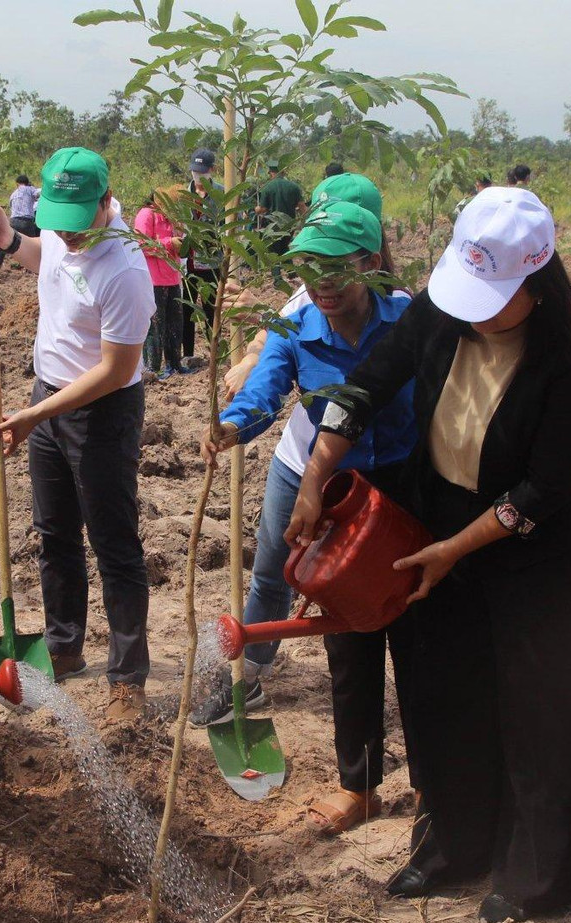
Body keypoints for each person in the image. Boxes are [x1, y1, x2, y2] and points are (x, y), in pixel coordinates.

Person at [288, 186, 571, 923]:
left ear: (534, 284)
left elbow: (539, 490)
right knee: (442, 690)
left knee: (535, 706)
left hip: (527, 548)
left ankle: (536, 874)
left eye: (493, 296)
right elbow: (365, 386)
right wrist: (314, 473)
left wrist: (454, 551)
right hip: (436, 517)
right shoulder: (440, 310)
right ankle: (455, 846)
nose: (475, 309)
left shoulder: (568, 371)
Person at [196, 199, 420, 838]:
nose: (321, 282)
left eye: (335, 268)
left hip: (404, 490)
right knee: (346, 634)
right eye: (308, 267)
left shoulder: (409, 319)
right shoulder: (297, 328)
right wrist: (231, 429)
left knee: (420, 638)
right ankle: (360, 784)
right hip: (336, 498)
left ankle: (434, 777)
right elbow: (266, 391)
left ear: (370, 264)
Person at [0, 147, 155, 721]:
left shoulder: (125, 268)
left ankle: (128, 678)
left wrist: (36, 415)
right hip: (45, 395)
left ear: (106, 202)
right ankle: (64, 645)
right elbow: (42, 257)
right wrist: (7, 238)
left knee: (114, 542)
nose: (69, 235)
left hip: (100, 410)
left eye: (80, 224)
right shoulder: (60, 227)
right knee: (53, 531)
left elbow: (116, 370)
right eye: (60, 223)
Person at [224, 172, 400, 400]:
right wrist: (250, 361)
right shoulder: (315, 288)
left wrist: (264, 316)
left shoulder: (398, 308)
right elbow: (274, 337)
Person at [133, 186, 185, 378]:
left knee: (175, 323)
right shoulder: (146, 214)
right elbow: (141, 244)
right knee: (156, 325)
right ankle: (153, 369)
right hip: (153, 280)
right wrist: (169, 243)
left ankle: (175, 364)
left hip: (172, 277)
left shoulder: (170, 218)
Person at [182, 147, 224, 366]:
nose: (197, 177)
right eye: (194, 172)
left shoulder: (221, 194)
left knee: (210, 309)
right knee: (186, 309)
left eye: (202, 173)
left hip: (211, 263)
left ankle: (214, 353)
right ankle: (187, 354)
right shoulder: (181, 195)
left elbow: (229, 227)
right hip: (187, 263)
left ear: (212, 170)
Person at [255, 159, 304, 284]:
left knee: (273, 251)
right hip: (289, 224)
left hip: (273, 225)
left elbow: (263, 209)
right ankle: (292, 274)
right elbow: (303, 207)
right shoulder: (294, 187)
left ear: (271, 172)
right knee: (284, 248)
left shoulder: (267, 187)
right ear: (284, 171)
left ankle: (277, 279)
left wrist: (256, 209)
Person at [0, 174, 40, 262]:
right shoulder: (30, 189)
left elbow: (11, 207)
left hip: (13, 221)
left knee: (7, 240)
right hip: (26, 221)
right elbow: (38, 194)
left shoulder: (13, 194)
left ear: (17, 184)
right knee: (32, 243)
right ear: (27, 182)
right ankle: (32, 264)